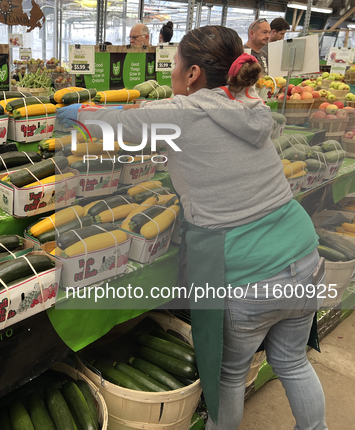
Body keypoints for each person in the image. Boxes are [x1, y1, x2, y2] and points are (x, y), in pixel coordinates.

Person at [57, 25, 327, 430]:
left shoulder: (183, 113)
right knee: (291, 362)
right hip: (304, 257)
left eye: (176, 65)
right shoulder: (250, 106)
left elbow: (117, 125)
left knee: (230, 379)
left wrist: (74, 113)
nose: (172, 74)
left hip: (249, 276)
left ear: (194, 73)